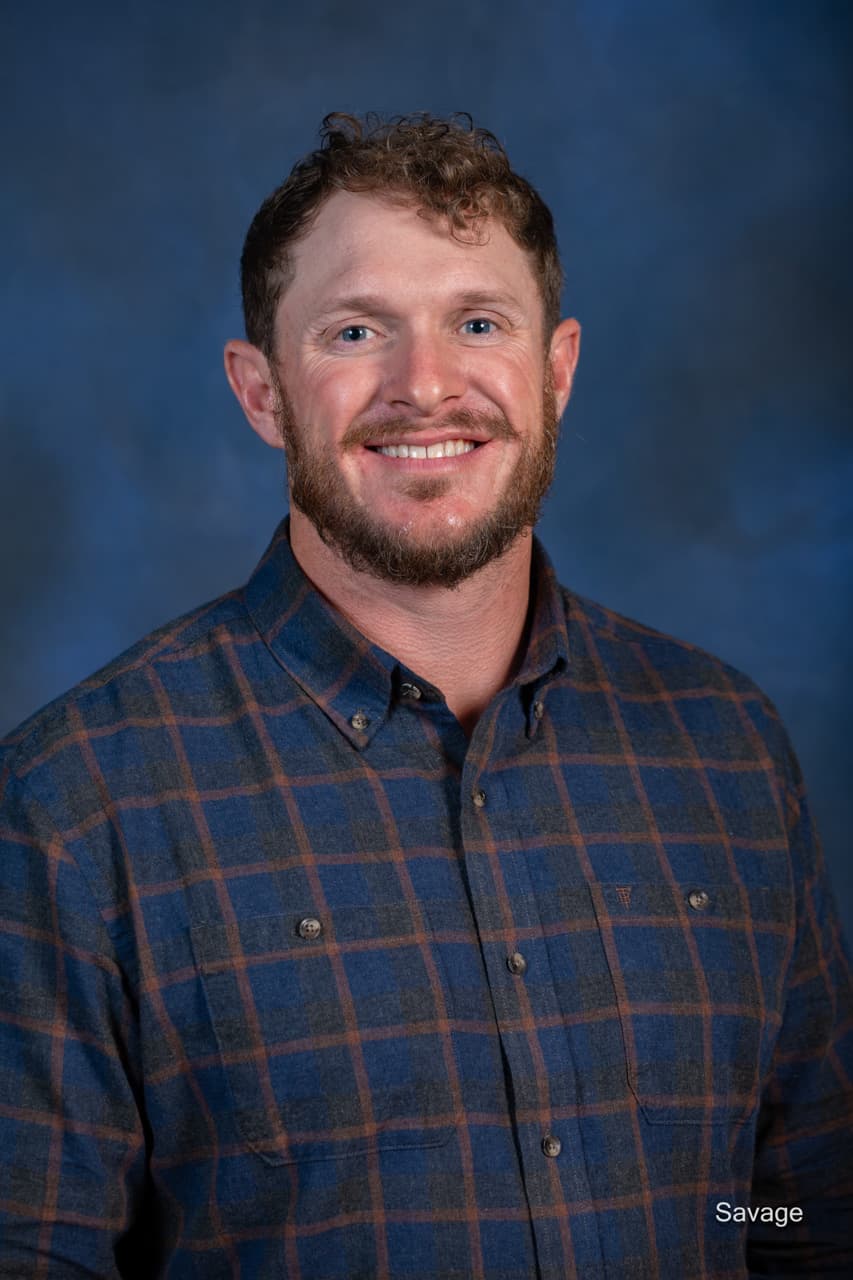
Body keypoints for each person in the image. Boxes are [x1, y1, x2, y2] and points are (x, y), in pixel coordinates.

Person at [0, 112, 850, 1280]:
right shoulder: (75, 801)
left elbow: (798, 1212)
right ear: (261, 393)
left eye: (478, 323)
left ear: (555, 372)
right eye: (357, 330)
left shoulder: (725, 750)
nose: (427, 386)